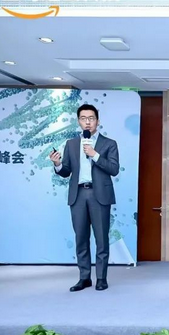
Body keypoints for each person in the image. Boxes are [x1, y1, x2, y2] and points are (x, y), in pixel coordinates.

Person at [49, 104, 120, 292]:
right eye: (83, 118)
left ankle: (101, 278)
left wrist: (95, 155)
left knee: (101, 239)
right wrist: (57, 164)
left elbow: (114, 169)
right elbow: (66, 171)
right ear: (78, 121)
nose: (87, 122)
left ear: (98, 121)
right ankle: (84, 278)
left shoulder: (109, 143)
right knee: (81, 238)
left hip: (99, 195)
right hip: (78, 194)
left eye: (91, 118)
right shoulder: (72, 144)